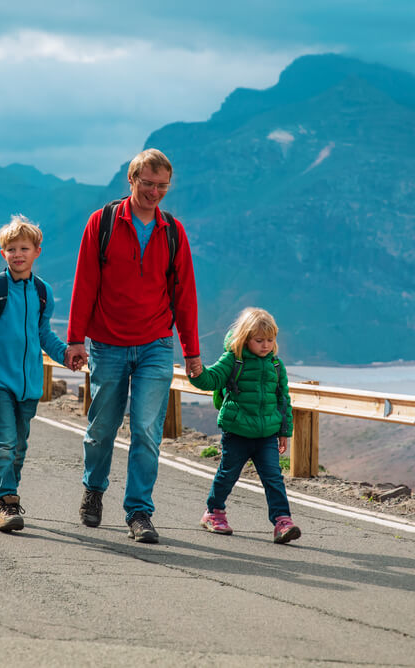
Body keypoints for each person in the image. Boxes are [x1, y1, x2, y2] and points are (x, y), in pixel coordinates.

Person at [65, 148, 202, 543]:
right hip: (107, 343)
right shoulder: (103, 222)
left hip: (156, 343)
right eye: (148, 184)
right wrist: (75, 339)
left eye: (162, 186)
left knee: (146, 429)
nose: (155, 192)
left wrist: (191, 351)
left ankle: (139, 512)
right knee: (102, 427)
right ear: (132, 180)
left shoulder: (172, 232)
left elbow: (185, 295)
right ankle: (93, 490)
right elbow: (85, 282)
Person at [0, 215, 70, 533]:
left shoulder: (42, 292)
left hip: (29, 386)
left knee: (19, 447)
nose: (17, 254)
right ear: (3, 254)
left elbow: (43, 334)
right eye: (11, 249)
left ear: (37, 251)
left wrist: (66, 354)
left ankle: (3, 494)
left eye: (24, 248)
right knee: (5, 442)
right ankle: (6, 502)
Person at [187, 307, 301, 544]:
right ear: (245, 338)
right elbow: (212, 379)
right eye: (259, 340)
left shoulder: (276, 366)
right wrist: (196, 372)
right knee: (228, 474)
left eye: (270, 340)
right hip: (237, 432)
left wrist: (284, 432)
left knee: (273, 478)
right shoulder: (233, 360)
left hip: (267, 434)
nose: (266, 345)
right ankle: (214, 512)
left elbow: (283, 400)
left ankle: (282, 521)